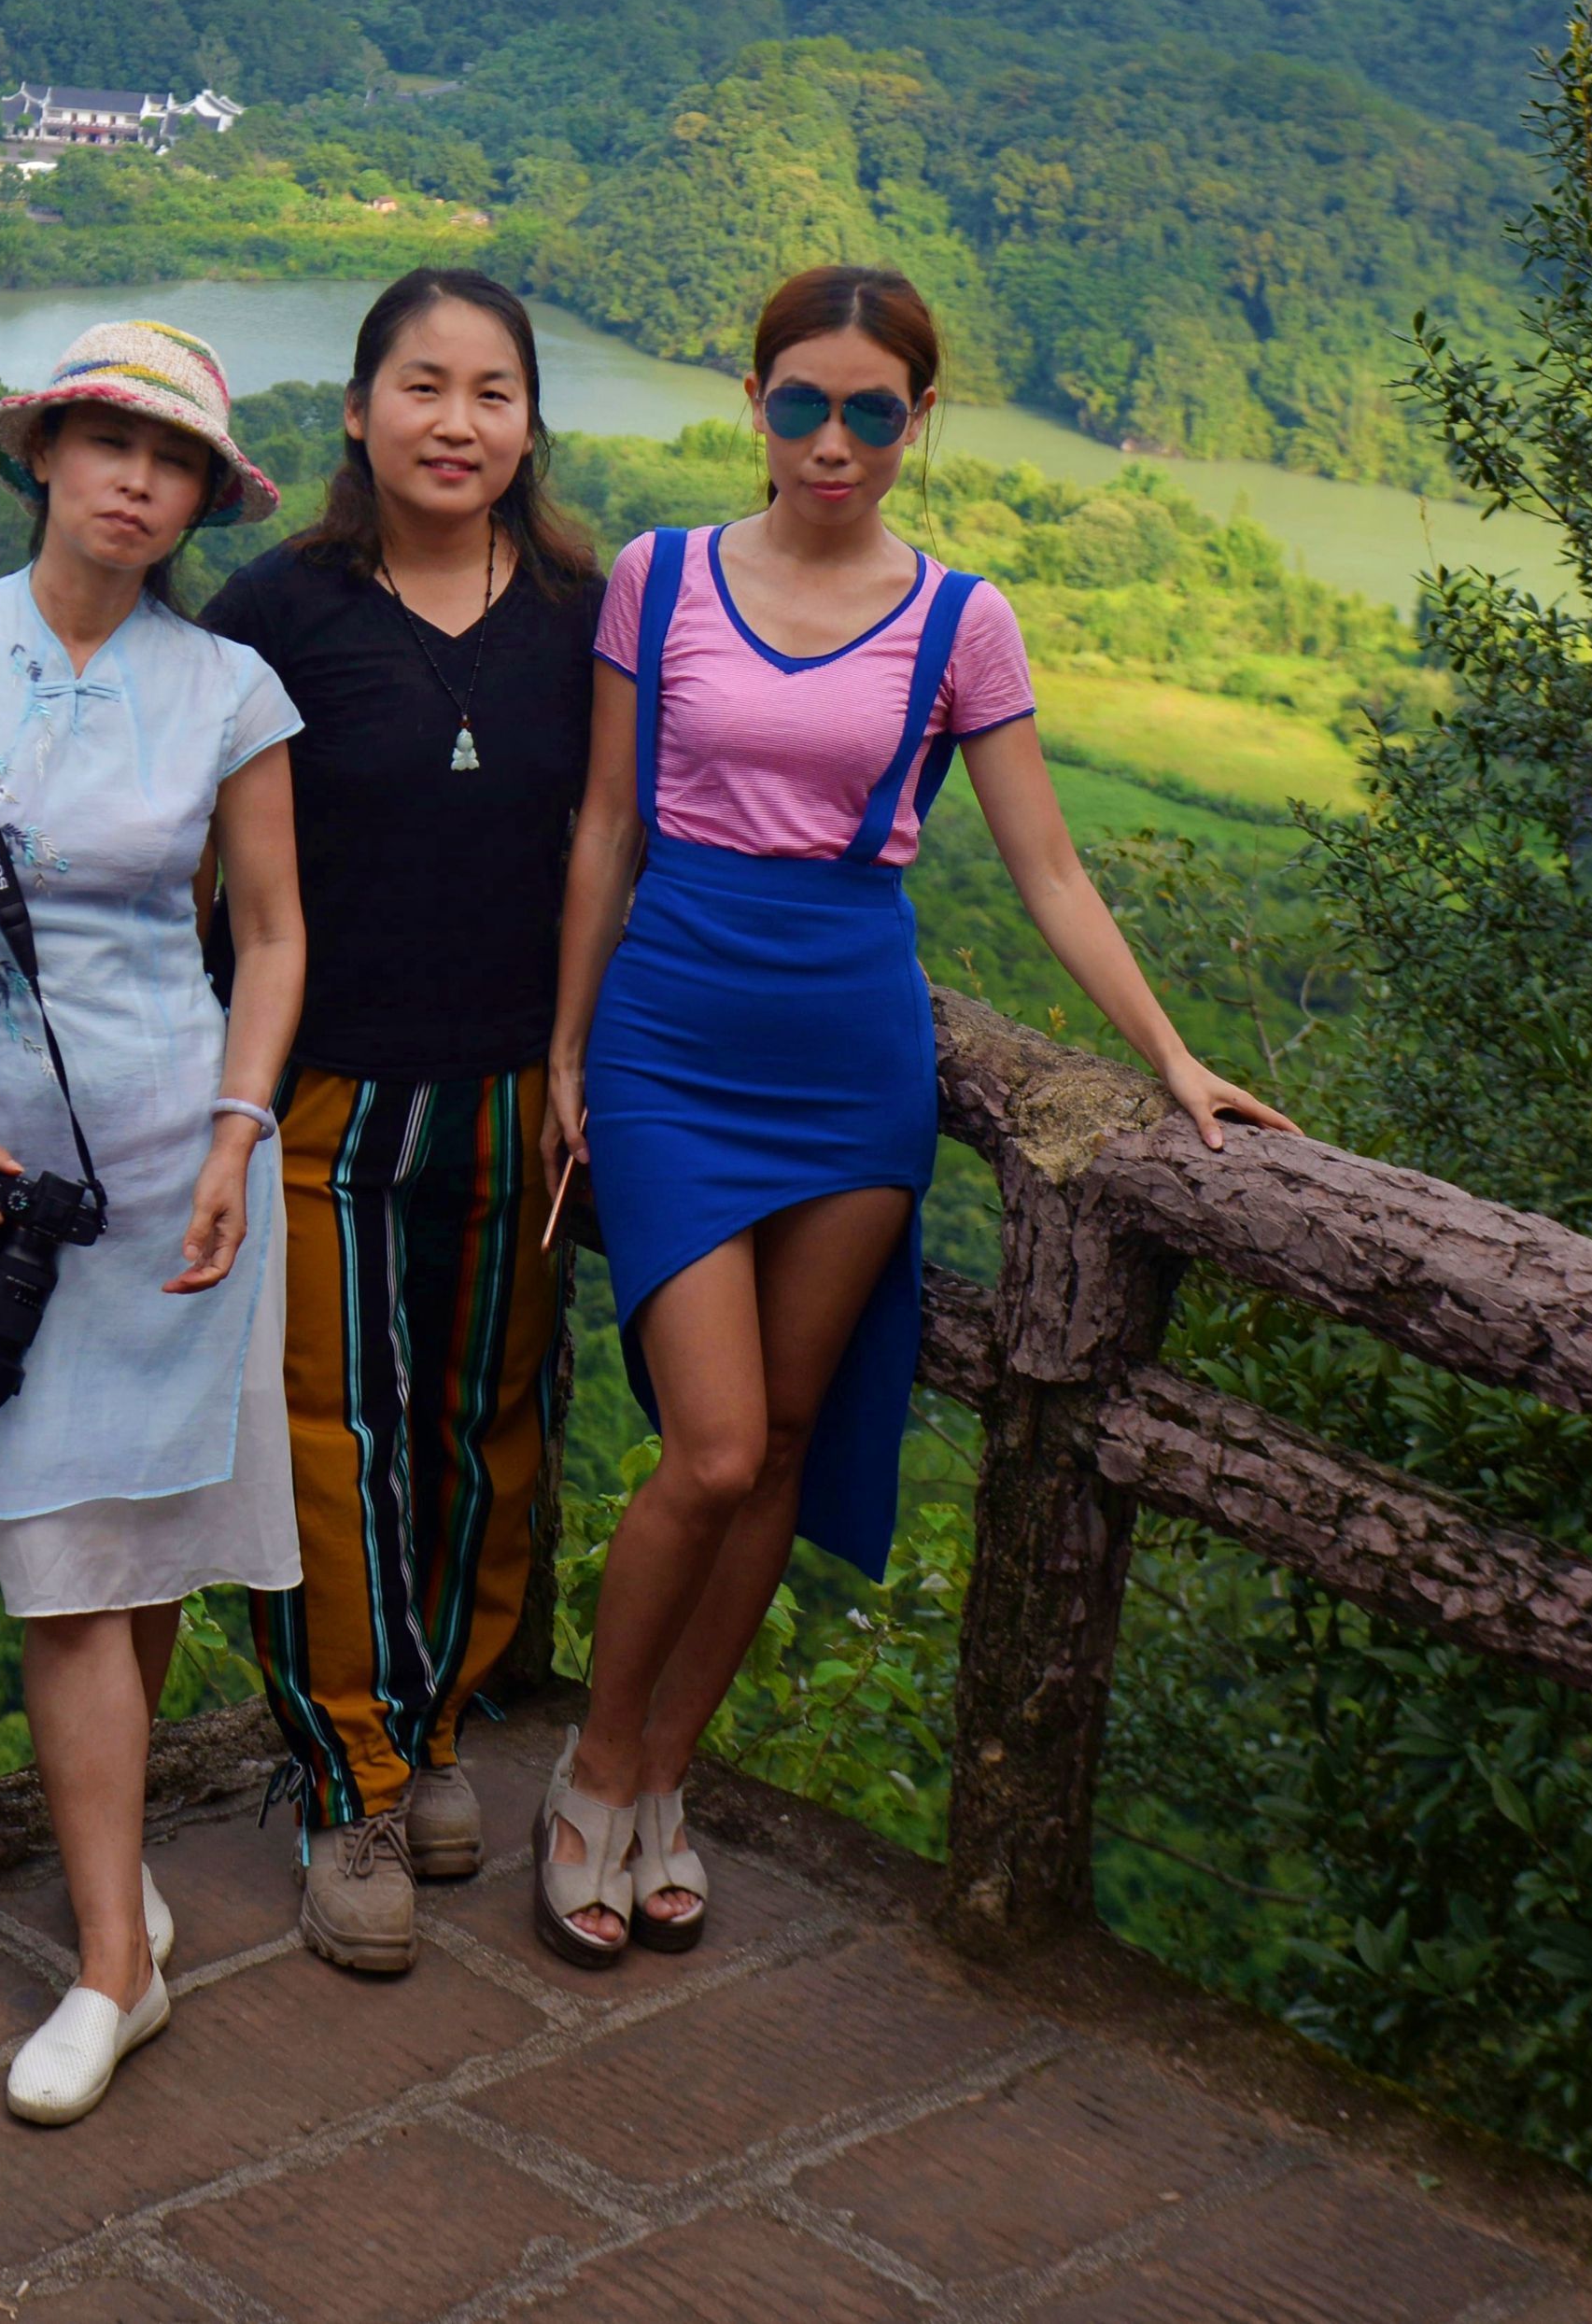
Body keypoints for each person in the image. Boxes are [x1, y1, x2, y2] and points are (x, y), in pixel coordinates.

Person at [537, 264, 1290, 1967]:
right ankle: (590, 1770)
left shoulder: (963, 620)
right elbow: (603, 828)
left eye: (870, 412)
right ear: (754, 403)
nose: (833, 441)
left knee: (785, 1444)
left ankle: (666, 1777)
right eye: (802, 403)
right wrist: (567, 1048)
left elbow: (1048, 868)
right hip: (672, 1039)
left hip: (849, 1058)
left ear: (917, 421)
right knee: (712, 1445)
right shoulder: (661, 578)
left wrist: (1171, 1057)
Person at [0, 317, 306, 2126]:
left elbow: (271, 933)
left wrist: (239, 1134)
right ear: (43, 454)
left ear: (199, 501)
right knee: (68, 1568)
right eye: (109, 444)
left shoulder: (229, 689)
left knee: (131, 1552)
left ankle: (111, 1934)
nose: (135, 483)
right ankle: (118, 1951)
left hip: (178, 1179)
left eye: (172, 463)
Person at [194, 268, 601, 1977]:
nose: (457, 422)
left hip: (515, 1087)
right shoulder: (278, 611)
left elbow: (620, 844)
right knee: (327, 1432)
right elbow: (196, 851)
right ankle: (349, 1775)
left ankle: (437, 1727)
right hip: (327, 1088)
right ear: (359, 412)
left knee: (488, 1423)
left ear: (529, 423)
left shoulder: (584, 612)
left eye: (493, 391)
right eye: (421, 387)